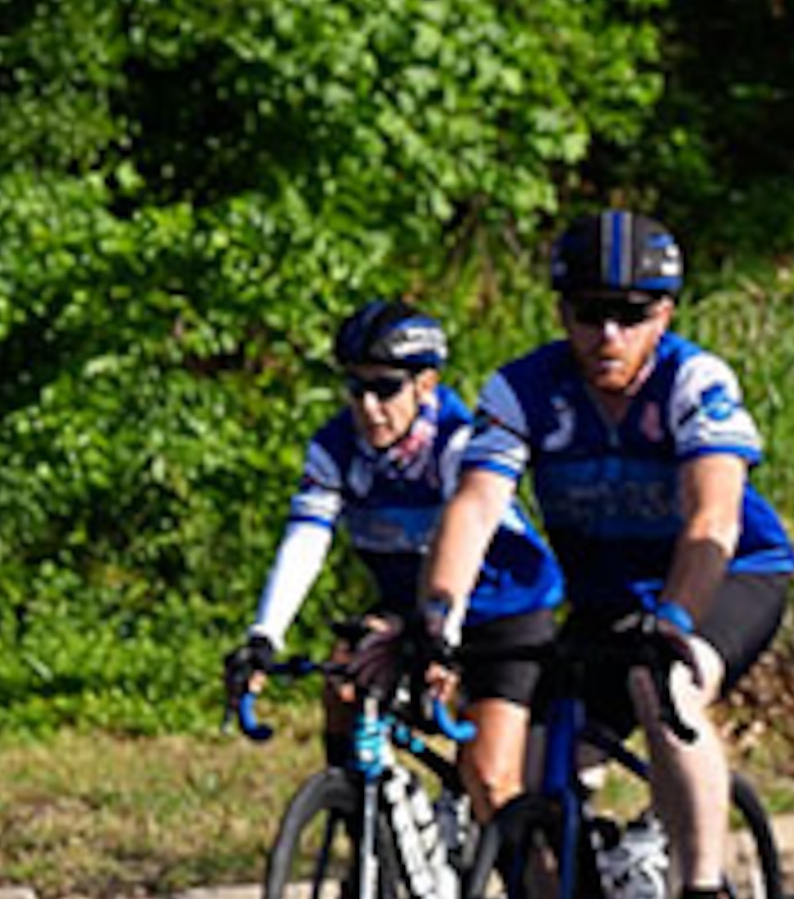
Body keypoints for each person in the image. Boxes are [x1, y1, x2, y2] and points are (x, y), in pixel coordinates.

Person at [421, 210, 794, 899]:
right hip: (604, 598)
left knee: (667, 686)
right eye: (591, 311)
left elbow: (712, 518)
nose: (610, 333)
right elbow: (476, 506)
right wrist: (438, 615)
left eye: (633, 314)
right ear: (562, 311)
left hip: (727, 575)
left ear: (666, 313)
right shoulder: (525, 389)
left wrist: (677, 621)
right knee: (524, 777)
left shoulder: (695, 382)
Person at [223, 300, 564, 824]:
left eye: (385, 388)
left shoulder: (457, 443)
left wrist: (441, 641)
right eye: (355, 388)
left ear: (425, 384)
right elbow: (306, 541)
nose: (368, 406)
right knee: (342, 680)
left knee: (490, 780)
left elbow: (465, 534)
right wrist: (264, 635)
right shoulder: (337, 447)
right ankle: (367, 858)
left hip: (503, 609)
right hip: (413, 607)